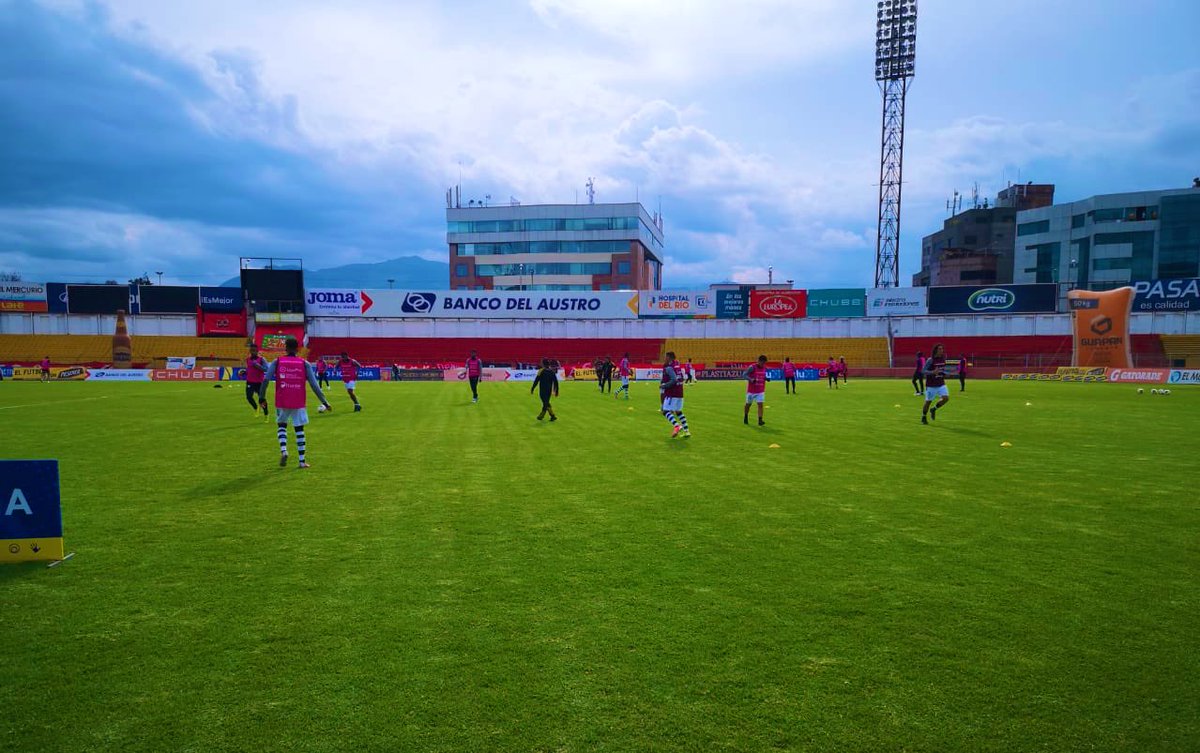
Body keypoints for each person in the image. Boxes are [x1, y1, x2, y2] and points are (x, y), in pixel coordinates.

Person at [260, 336, 331, 469]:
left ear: (285, 348)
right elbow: (315, 385)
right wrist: (325, 402)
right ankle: (302, 461)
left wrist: (262, 397)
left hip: (282, 400)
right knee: (299, 429)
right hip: (298, 400)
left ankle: (284, 451)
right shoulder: (304, 363)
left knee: (282, 426)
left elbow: (265, 380)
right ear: (298, 349)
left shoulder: (277, 361)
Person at [660, 351, 691, 438]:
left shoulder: (669, 367)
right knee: (678, 412)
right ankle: (686, 431)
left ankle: (676, 426)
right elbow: (681, 378)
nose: (664, 358)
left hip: (672, 393)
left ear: (669, 357)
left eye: (665, 357)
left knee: (665, 411)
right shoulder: (677, 365)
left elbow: (674, 380)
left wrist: (664, 386)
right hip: (680, 392)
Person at [921, 343, 950, 425]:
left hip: (941, 383)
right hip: (931, 385)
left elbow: (941, 370)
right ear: (936, 350)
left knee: (946, 398)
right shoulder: (930, 360)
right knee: (928, 402)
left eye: (942, 349)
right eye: (940, 349)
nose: (942, 351)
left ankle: (933, 409)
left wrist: (945, 373)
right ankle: (923, 416)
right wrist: (932, 372)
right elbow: (923, 371)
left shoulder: (943, 359)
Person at [244, 344, 270, 417]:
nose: (253, 352)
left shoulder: (262, 359)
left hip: (259, 383)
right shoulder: (248, 359)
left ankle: (266, 413)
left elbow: (266, 369)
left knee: (261, 399)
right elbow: (249, 369)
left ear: (257, 351)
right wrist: (245, 372)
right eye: (251, 350)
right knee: (249, 397)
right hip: (250, 381)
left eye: (254, 350)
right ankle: (256, 408)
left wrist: (257, 365)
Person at [743, 355, 768, 426]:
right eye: (762, 363)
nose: (763, 364)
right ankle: (745, 416)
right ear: (759, 361)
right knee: (748, 404)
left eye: (764, 363)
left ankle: (760, 420)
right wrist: (751, 380)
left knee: (760, 404)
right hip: (751, 391)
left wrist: (766, 378)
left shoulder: (764, 368)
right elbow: (744, 375)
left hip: (760, 390)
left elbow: (762, 376)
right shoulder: (752, 367)